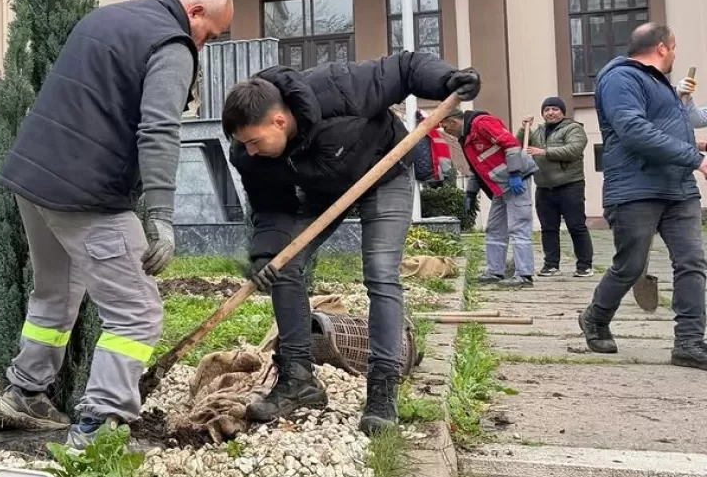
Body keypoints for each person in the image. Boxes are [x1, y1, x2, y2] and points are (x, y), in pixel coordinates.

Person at [0, 0, 235, 448]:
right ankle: (98, 427)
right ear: (196, 12)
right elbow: (160, 128)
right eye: (210, 34)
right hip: (88, 195)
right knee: (136, 313)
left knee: (54, 294)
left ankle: (24, 391)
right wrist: (161, 213)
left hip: (33, 179)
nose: (203, 45)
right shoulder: (172, 42)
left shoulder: (107, 17)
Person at [220, 54, 480, 436]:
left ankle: (382, 390)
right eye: (245, 144)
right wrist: (265, 254)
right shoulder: (249, 154)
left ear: (279, 120)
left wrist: (446, 81)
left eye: (255, 141)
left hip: (384, 172)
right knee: (283, 266)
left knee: (380, 274)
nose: (251, 151)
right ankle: (298, 380)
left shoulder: (338, 87)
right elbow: (271, 206)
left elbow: (404, 69)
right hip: (322, 189)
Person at [579, 24, 707, 370]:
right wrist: (697, 159)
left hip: (678, 189)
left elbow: (661, 131)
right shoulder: (621, 79)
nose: (676, 55)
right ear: (663, 48)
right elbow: (634, 131)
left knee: (692, 262)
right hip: (636, 189)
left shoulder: (661, 87)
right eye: (675, 49)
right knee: (630, 265)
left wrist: (695, 145)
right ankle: (596, 317)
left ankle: (690, 343)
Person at [441, 107, 537, 287]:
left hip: (517, 181)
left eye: (446, 127)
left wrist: (515, 172)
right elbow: (476, 169)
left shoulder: (482, 123)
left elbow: (510, 144)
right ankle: (495, 271)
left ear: (454, 122)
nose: (447, 132)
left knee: (519, 227)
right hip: (500, 186)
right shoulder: (466, 138)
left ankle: (524, 275)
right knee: (494, 229)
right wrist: (471, 193)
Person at [520, 97, 594, 277]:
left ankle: (584, 265)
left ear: (562, 112)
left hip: (570, 185)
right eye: (546, 110)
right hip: (544, 187)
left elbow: (574, 150)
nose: (550, 112)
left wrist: (544, 152)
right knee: (548, 228)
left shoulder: (573, 128)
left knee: (576, 226)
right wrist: (524, 129)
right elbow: (521, 145)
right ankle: (551, 265)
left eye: (554, 109)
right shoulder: (538, 131)